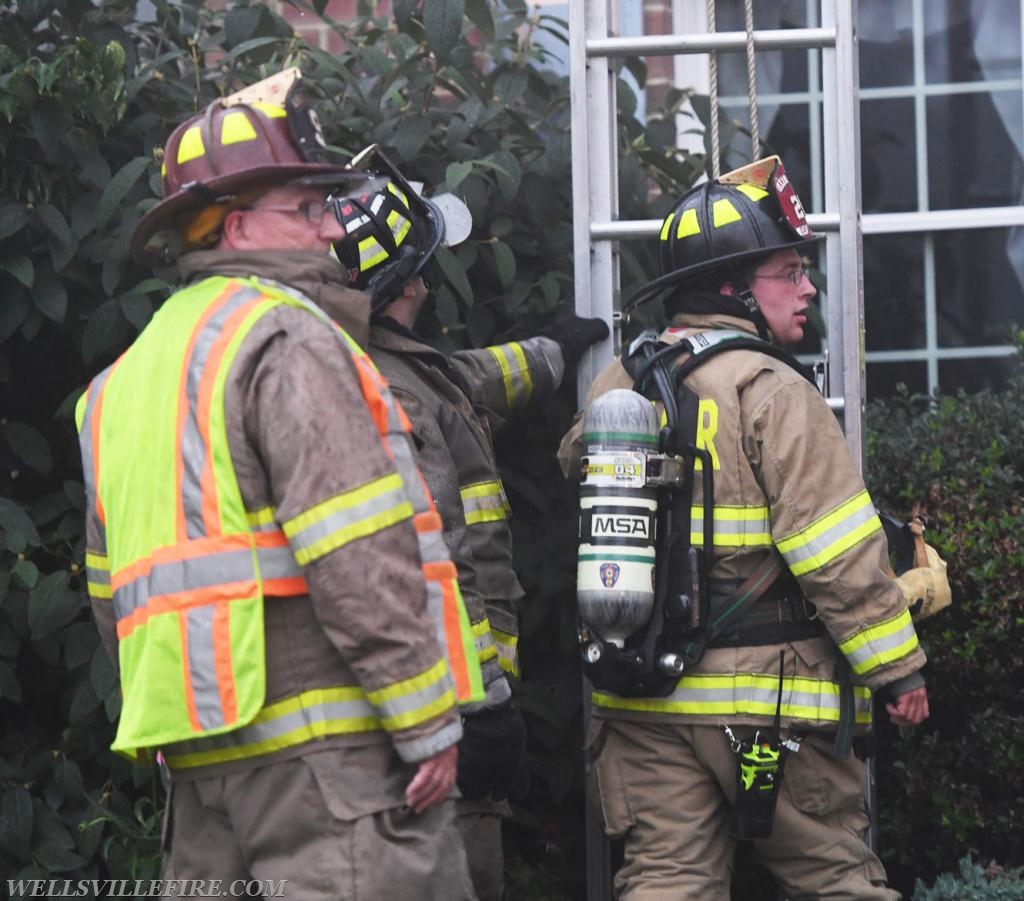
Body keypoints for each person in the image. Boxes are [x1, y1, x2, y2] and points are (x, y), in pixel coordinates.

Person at [76, 74, 483, 899]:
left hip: (203, 769)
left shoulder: (121, 380)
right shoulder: (287, 337)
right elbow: (358, 552)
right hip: (330, 768)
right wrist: (426, 720)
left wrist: (177, 713)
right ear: (236, 226)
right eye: (307, 210)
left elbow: (108, 591)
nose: (333, 229)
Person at [559, 157, 932, 900]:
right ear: (734, 290)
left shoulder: (621, 382)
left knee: (667, 883)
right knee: (837, 881)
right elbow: (836, 556)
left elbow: (576, 469)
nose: (808, 287)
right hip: (770, 710)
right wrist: (898, 669)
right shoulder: (772, 388)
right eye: (788, 271)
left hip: (640, 701)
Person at [333, 168, 609, 901]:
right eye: (425, 268)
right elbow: (441, 557)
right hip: (447, 719)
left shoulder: (399, 367)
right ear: (409, 284)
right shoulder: (394, 395)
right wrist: (482, 705)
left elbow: (476, 377)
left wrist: (555, 349)